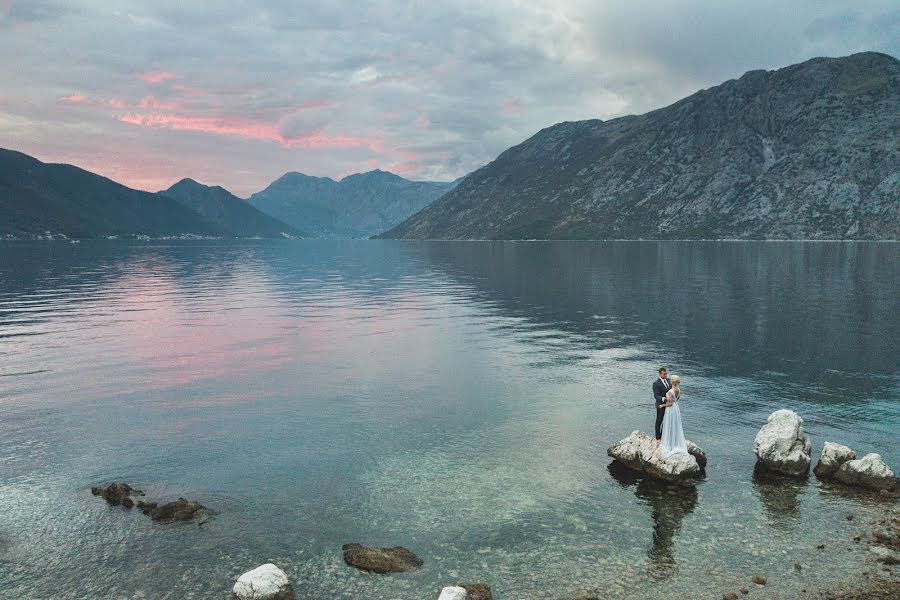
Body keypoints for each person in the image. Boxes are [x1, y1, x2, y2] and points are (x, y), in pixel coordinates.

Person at [659, 375, 688, 458]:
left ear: (671, 382)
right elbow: (676, 400)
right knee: (676, 425)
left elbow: (670, 403)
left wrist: (663, 405)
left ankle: (669, 443)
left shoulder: (669, 392)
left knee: (669, 425)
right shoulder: (678, 390)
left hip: (671, 409)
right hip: (676, 408)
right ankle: (675, 442)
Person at [652, 367, 670, 443]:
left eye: (666, 374)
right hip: (660, 405)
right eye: (664, 374)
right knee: (659, 420)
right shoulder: (656, 383)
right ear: (660, 374)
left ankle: (663, 435)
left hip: (668, 405)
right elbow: (656, 396)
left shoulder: (669, 381)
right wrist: (664, 399)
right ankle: (657, 436)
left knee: (666, 420)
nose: (665, 375)